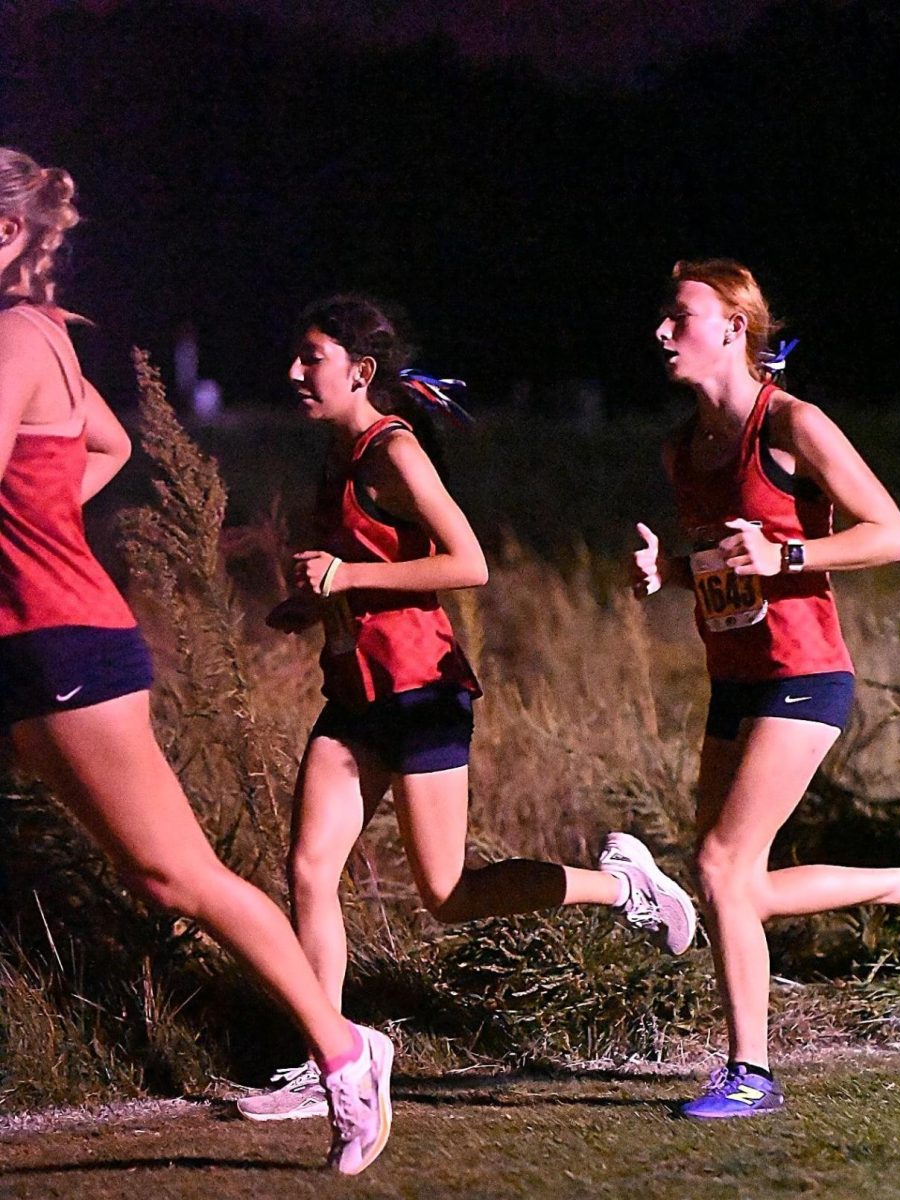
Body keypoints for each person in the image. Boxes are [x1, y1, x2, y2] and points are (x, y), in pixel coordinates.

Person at [0, 147, 391, 1175]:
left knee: (173, 877)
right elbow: (107, 450)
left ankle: (346, 1050)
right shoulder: (36, 339)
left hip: (61, 644)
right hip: (24, 639)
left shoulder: (15, 336)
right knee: (157, 875)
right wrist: (36, 521)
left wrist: (31, 538)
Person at [237, 294, 697, 1121]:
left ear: (360, 372)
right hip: (354, 696)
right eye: (297, 357)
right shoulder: (335, 460)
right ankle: (332, 1057)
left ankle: (621, 885)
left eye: (312, 357)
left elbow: (470, 563)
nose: (294, 372)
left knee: (447, 893)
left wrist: (346, 579)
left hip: (421, 691)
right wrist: (311, 605)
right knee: (309, 868)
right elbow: (365, 564)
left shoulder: (393, 451)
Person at [632, 258, 900, 1120]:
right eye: (664, 317)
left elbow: (891, 536)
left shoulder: (792, 423)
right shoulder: (683, 447)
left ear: (734, 327)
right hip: (735, 679)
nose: (662, 332)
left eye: (681, 316)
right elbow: (728, 563)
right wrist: (672, 571)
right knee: (728, 883)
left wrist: (791, 554)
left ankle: (751, 1072)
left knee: (718, 866)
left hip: (805, 674)